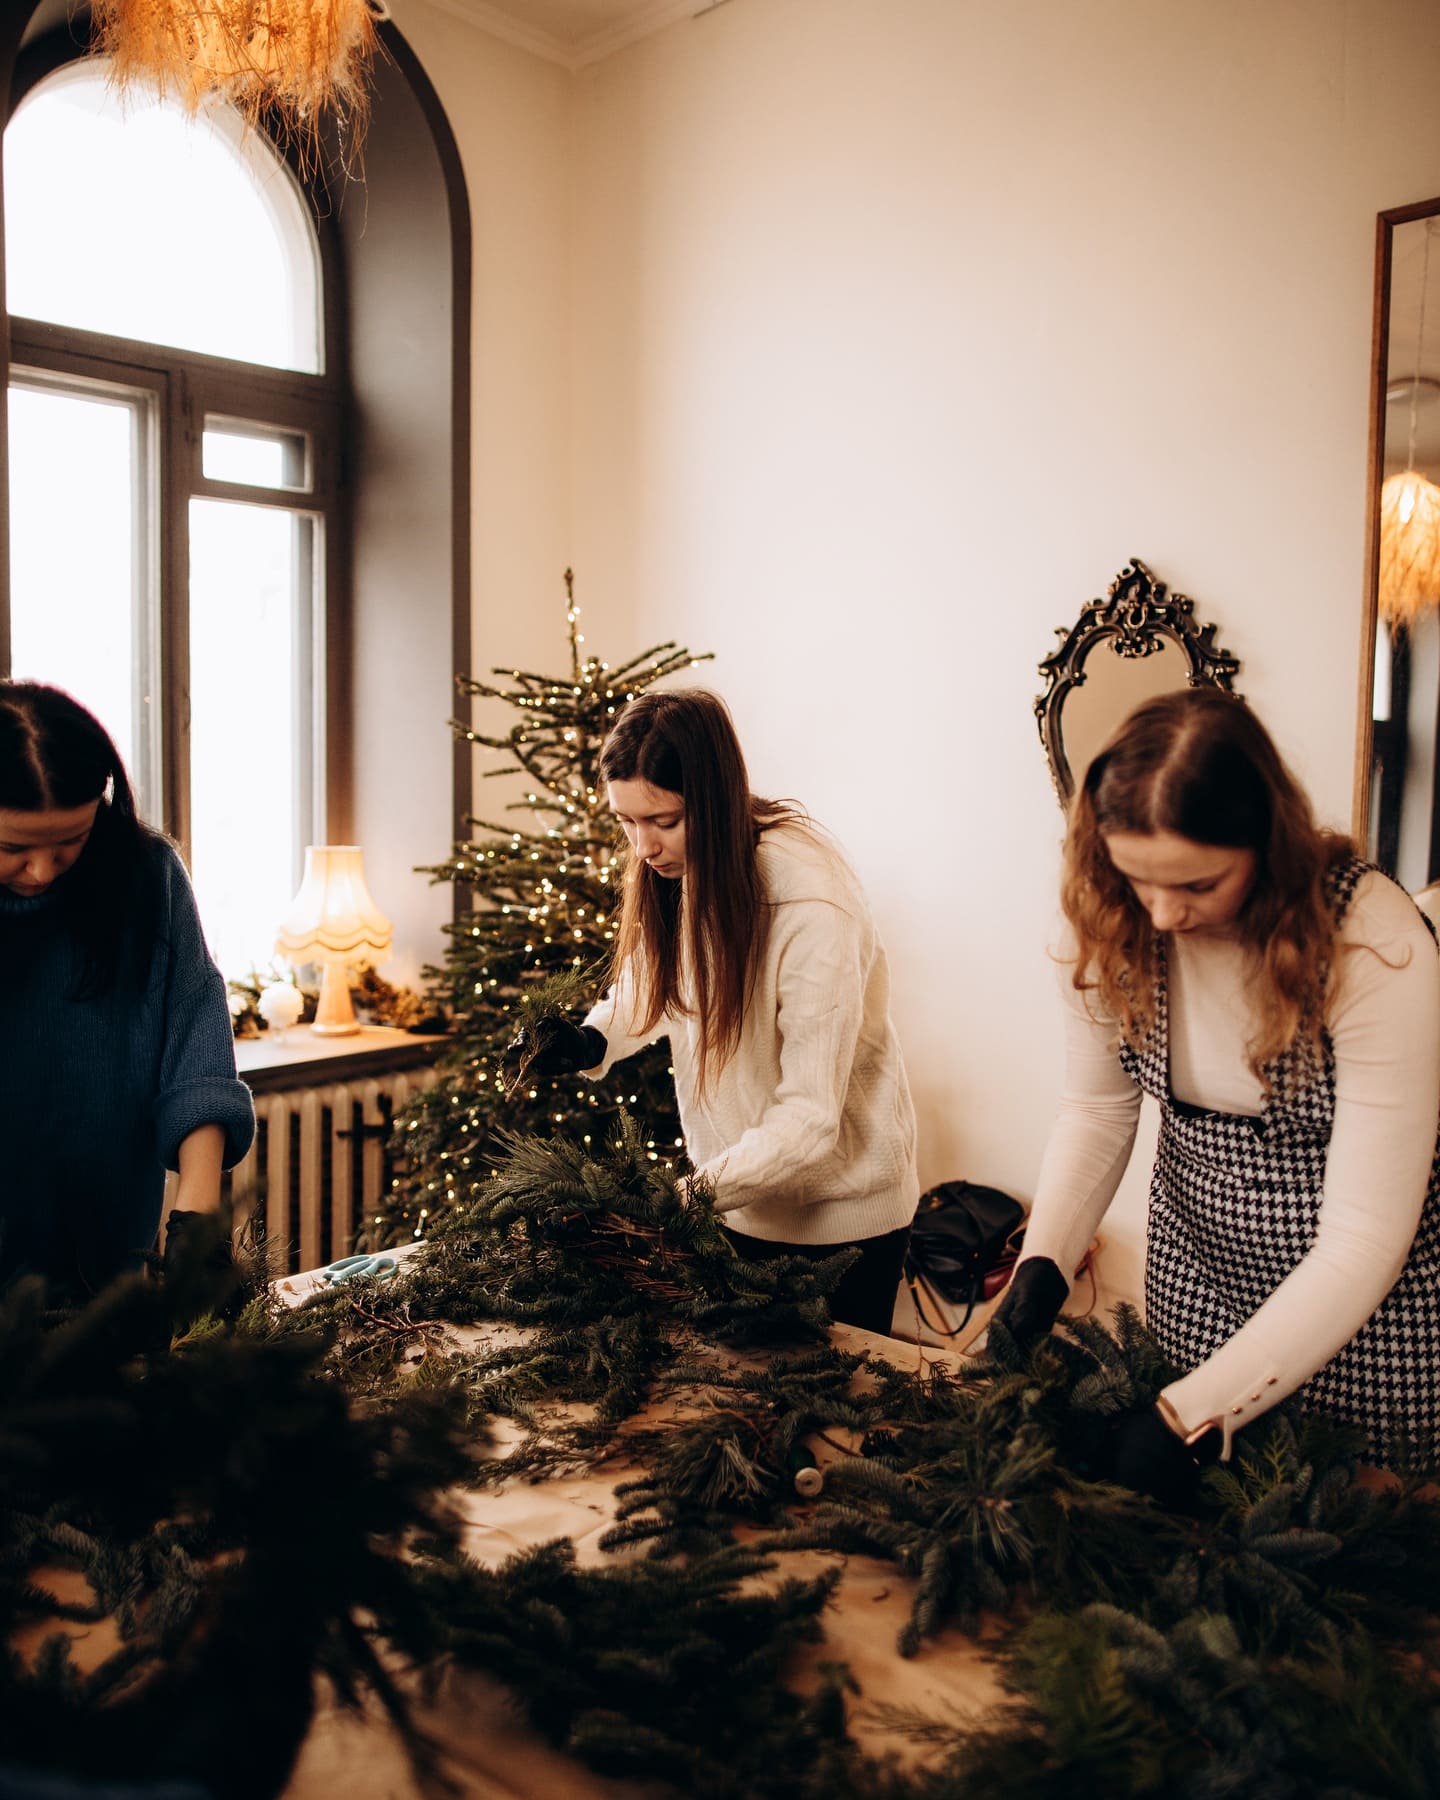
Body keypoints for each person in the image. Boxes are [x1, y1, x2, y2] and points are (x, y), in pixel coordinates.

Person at [994, 686, 1440, 1499]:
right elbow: (1097, 1109)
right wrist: (1043, 1265)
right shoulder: (1099, 918)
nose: (1162, 915)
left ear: (1266, 846)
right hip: (1199, 1280)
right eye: (1138, 881)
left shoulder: (1370, 943)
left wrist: (1188, 1416)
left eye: (1198, 886)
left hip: (1369, 1315)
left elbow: (1366, 1237)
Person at [507, 688, 919, 1335]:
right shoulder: (683, 869)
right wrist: (591, 1040)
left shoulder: (809, 903)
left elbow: (809, 1122)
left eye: (662, 821)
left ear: (715, 796)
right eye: (626, 821)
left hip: (842, 1229)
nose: (643, 846)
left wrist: (681, 1202)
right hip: (736, 1209)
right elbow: (658, 983)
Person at [0, 681, 255, 1299]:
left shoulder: (148, 878)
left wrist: (197, 1222)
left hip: (112, 1263)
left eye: (69, 844)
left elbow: (196, 1039)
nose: (40, 871)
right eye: (12, 848)